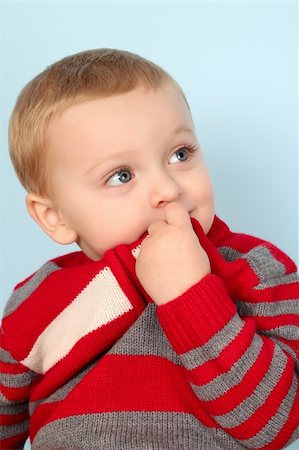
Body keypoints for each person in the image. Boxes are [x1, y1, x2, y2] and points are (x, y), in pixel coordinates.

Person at [1, 48, 298, 450]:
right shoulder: (35, 303)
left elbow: (278, 425)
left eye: (180, 154)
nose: (168, 189)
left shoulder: (257, 270)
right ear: (56, 217)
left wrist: (190, 296)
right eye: (121, 175)